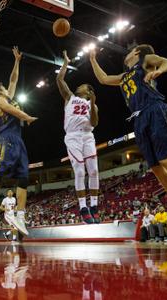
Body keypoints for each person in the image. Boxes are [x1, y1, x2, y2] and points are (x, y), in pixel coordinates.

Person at [89, 45, 167, 230]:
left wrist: (159, 70)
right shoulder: (125, 76)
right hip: (138, 119)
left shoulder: (145, 61)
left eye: (130, 50)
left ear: (137, 52)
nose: (126, 53)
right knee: (154, 166)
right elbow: (104, 79)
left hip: (154, 110)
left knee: (165, 159)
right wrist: (92, 60)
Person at [0, 46, 38, 236]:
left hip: (18, 140)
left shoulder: (8, 97)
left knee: (24, 178)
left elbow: (13, 79)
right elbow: (12, 111)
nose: (7, 86)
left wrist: (17, 61)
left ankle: (20, 215)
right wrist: (26, 116)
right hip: (6, 138)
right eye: (3, 87)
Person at [56, 50, 100, 224]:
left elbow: (95, 123)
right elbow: (59, 80)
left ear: (89, 91)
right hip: (73, 136)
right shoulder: (70, 97)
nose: (78, 87)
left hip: (88, 136)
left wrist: (94, 103)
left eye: (82, 85)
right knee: (80, 171)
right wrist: (65, 63)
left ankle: (94, 206)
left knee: (94, 171)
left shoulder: (93, 105)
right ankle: (83, 207)